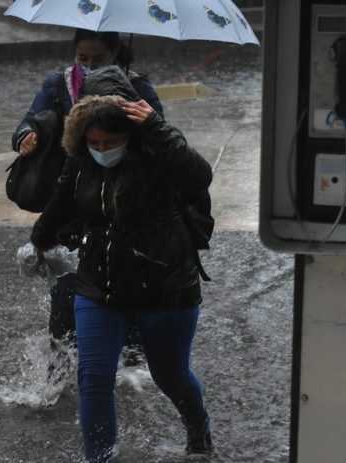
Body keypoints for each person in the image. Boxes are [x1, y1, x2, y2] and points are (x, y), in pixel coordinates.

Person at [29, 92, 213, 462]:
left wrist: (157, 128)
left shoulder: (157, 157)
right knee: (94, 378)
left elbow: (200, 175)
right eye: (94, 142)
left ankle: (199, 430)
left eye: (111, 143)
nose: (102, 149)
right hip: (100, 285)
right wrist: (36, 241)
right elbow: (62, 200)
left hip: (165, 288)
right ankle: (98, 457)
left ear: (129, 136)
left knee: (171, 376)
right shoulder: (81, 161)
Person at [12, 29, 163, 358]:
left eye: (99, 60)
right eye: (83, 59)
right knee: (67, 288)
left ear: (115, 54)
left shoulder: (135, 86)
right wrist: (27, 136)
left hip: (123, 205)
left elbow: (161, 137)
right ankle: (62, 358)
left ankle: (131, 354)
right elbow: (28, 122)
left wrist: (144, 124)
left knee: (125, 278)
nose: (90, 66)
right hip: (72, 202)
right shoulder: (59, 84)